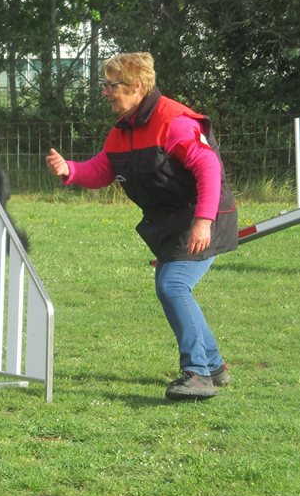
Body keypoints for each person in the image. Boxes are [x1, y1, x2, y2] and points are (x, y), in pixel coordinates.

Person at [45, 52, 237, 401]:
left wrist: (203, 221)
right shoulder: (122, 131)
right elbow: (103, 170)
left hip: (203, 214)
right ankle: (214, 366)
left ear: (136, 87)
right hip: (170, 220)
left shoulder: (174, 121)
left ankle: (197, 374)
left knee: (173, 285)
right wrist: (70, 170)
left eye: (111, 85)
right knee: (172, 286)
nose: (104, 92)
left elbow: (209, 168)